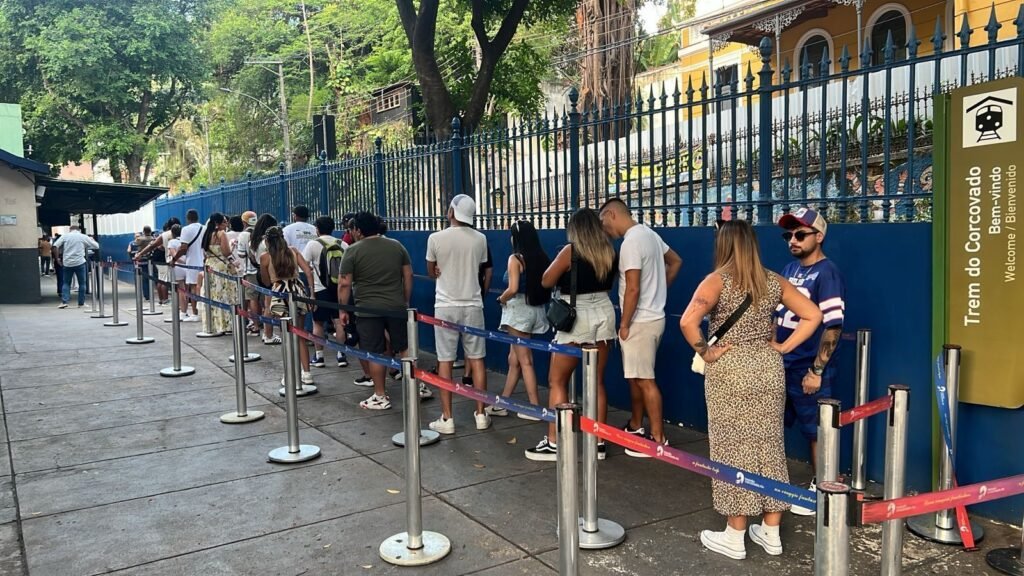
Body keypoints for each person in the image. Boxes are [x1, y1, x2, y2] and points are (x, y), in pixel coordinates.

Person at [679, 219, 821, 560]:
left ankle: (735, 534)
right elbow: (813, 315)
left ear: (724, 245)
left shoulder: (717, 281)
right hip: (768, 368)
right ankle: (771, 532)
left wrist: (706, 351)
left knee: (732, 449)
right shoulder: (772, 281)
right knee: (769, 444)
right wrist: (784, 348)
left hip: (730, 370)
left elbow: (687, 321)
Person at [526, 208, 616, 461]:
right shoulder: (609, 251)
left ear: (576, 229)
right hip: (605, 313)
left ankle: (555, 442)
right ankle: (598, 441)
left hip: (577, 317)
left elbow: (545, 280)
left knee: (558, 381)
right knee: (596, 381)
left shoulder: (570, 251)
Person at [775, 207, 846, 515]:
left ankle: (824, 491)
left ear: (819, 237)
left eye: (800, 234)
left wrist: (816, 370)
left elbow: (833, 324)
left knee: (818, 431)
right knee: (782, 425)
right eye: (789, 234)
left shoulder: (827, 272)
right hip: (783, 362)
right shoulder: (789, 269)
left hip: (806, 365)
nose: (793, 239)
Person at [599, 198, 683, 456]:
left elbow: (632, 288)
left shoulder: (631, 243)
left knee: (645, 380)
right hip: (651, 317)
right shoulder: (650, 234)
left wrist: (624, 324)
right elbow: (676, 261)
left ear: (612, 214)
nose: (604, 230)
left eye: (603, 222)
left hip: (639, 321)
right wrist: (658, 290)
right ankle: (636, 425)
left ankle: (658, 440)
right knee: (636, 376)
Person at [337, 212, 415, 410]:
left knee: (375, 351)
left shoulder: (352, 251)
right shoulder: (397, 246)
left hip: (367, 310)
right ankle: (415, 387)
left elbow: (344, 283)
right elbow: (408, 275)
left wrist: (343, 309)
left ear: (358, 230)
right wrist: (404, 300)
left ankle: (380, 395)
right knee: (405, 347)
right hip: (396, 306)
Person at [426, 194, 490, 434]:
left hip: (445, 305)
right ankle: (481, 414)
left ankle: (447, 417)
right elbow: (480, 267)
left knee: (445, 360)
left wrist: (438, 269)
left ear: (452, 212)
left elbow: (431, 271)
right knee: (477, 359)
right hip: (473, 305)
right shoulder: (480, 239)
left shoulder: (435, 238)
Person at [491, 220, 549, 420]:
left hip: (518, 312)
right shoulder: (541, 257)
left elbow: (513, 288)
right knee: (514, 359)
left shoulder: (515, 259)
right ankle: (503, 402)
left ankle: (534, 408)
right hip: (535, 310)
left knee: (525, 360)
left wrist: (501, 298)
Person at [260, 226, 316, 385]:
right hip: (298, 291)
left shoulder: (265, 257)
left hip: (279, 294)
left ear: (267, 241)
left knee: (286, 335)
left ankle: (290, 373)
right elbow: (308, 272)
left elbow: (265, 281)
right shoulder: (293, 251)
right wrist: (311, 294)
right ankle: (307, 373)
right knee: (300, 335)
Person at [302, 215, 348, 368]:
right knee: (339, 322)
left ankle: (319, 356)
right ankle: (341, 354)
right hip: (339, 289)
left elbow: (304, 264)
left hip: (319, 289)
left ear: (317, 229)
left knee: (318, 323)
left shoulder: (312, 245)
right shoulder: (344, 244)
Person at [200, 213, 236, 334]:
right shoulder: (221, 234)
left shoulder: (207, 234)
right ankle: (225, 324)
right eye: (224, 222)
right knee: (223, 295)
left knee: (212, 295)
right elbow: (226, 252)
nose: (226, 224)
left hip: (210, 265)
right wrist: (231, 245)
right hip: (221, 268)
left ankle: (213, 324)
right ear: (218, 223)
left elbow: (205, 252)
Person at [249, 214, 280, 344]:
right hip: (270, 272)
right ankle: (268, 334)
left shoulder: (253, 241)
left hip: (260, 271)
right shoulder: (267, 242)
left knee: (266, 304)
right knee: (269, 306)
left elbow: (251, 258)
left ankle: (267, 333)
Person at [169, 209, 204, 321]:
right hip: (205, 261)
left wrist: (174, 259)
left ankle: (195, 313)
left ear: (187, 218)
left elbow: (183, 248)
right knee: (204, 287)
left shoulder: (186, 229)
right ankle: (204, 312)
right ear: (197, 217)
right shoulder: (205, 228)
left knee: (193, 287)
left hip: (192, 262)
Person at [53, 225, 99, 308]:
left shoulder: (65, 236)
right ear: (79, 230)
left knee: (66, 283)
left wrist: (57, 259)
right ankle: (81, 303)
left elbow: (55, 246)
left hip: (67, 263)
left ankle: (64, 302)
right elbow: (96, 246)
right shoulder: (83, 237)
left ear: (70, 230)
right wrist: (92, 239)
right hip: (80, 263)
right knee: (82, 283)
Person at [165, 224, 188, 316]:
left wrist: (180, 262)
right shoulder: (184, 241)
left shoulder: (172, 242)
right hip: (189, 266)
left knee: (181, 290)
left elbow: (174, 255)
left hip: (178, 267)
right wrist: (186, 263)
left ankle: (183, 312)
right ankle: (188, 311)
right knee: (188, 290)